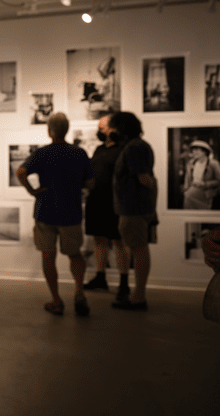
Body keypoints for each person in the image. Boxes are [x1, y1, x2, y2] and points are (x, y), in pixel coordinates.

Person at [17, 112, 95, 316]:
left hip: (45, 211)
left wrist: (32, 191)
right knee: (75, 254)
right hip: (71, 211)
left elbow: (20, 172)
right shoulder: (79, 153)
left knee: (48, 255)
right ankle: (79, 293)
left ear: (49, 130)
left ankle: (57, 300)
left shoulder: (43, 153)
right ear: (67, 129)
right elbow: (91, 183)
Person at [109, 111, 157, 310]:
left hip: (133, 209)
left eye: (114, 128)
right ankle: (138, 294)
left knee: (138, 250)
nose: (112, 132)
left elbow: (145, 179)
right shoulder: (138, 146)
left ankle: (138, 297)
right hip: (137, 208)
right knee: (139, 249)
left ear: (123, 129)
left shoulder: (134, 148)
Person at [83, 115, 131, 301]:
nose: (100, 132)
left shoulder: (124, 149)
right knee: (98, 239)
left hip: (115, 203)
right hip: (96, 201)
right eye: (99, 129)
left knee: (119, 242)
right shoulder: (99, 149)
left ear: (114, 129)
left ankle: (124, 283)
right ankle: (100, 277)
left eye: (103, 129)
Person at [182, 140, 220, 209]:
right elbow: (187, 178)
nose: (194, 152)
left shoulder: (213, 163)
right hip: (190, 193)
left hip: (205, 194)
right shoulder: (191, 163)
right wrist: (186, 190)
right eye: (193, 150)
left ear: (204, 151)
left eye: (197, 150)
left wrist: (205, 184)